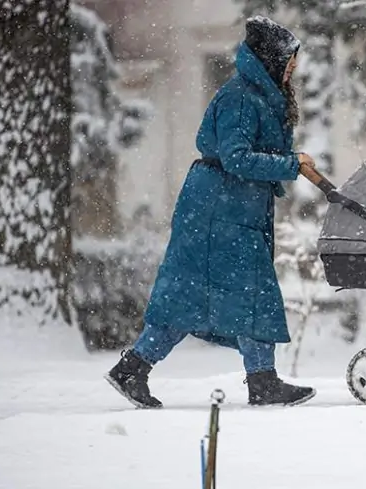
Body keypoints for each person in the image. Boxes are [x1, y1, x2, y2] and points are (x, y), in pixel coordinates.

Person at [105, 16, 317, 409]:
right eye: (289, 60)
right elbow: (236, 158)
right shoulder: (241, 98)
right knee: (224, 295)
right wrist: (290, 164)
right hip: (218, 213)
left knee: (208, 296)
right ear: (271, 59)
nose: (293, 68)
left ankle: (137, 368)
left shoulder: (260, 97)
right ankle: (260, 381)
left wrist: (286, 164)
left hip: (230, 210)